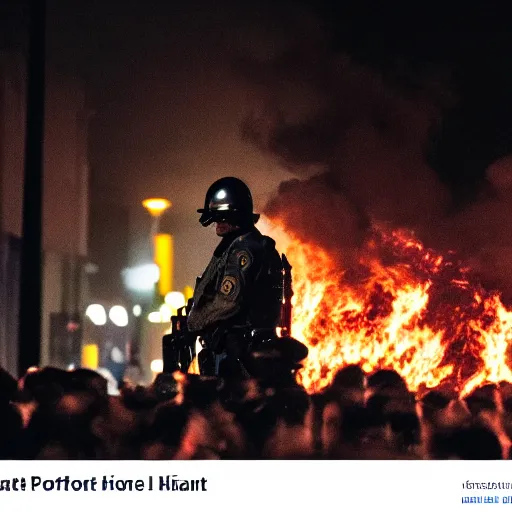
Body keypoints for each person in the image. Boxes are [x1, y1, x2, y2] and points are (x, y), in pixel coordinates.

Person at [186, 177, 284, 377]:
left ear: (236, 216)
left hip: (239, 352)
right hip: (238, 350)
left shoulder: (243, 250)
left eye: (221, 218)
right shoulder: (237, 245)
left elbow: (228, 301)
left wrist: (195, 322)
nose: (216, 224)